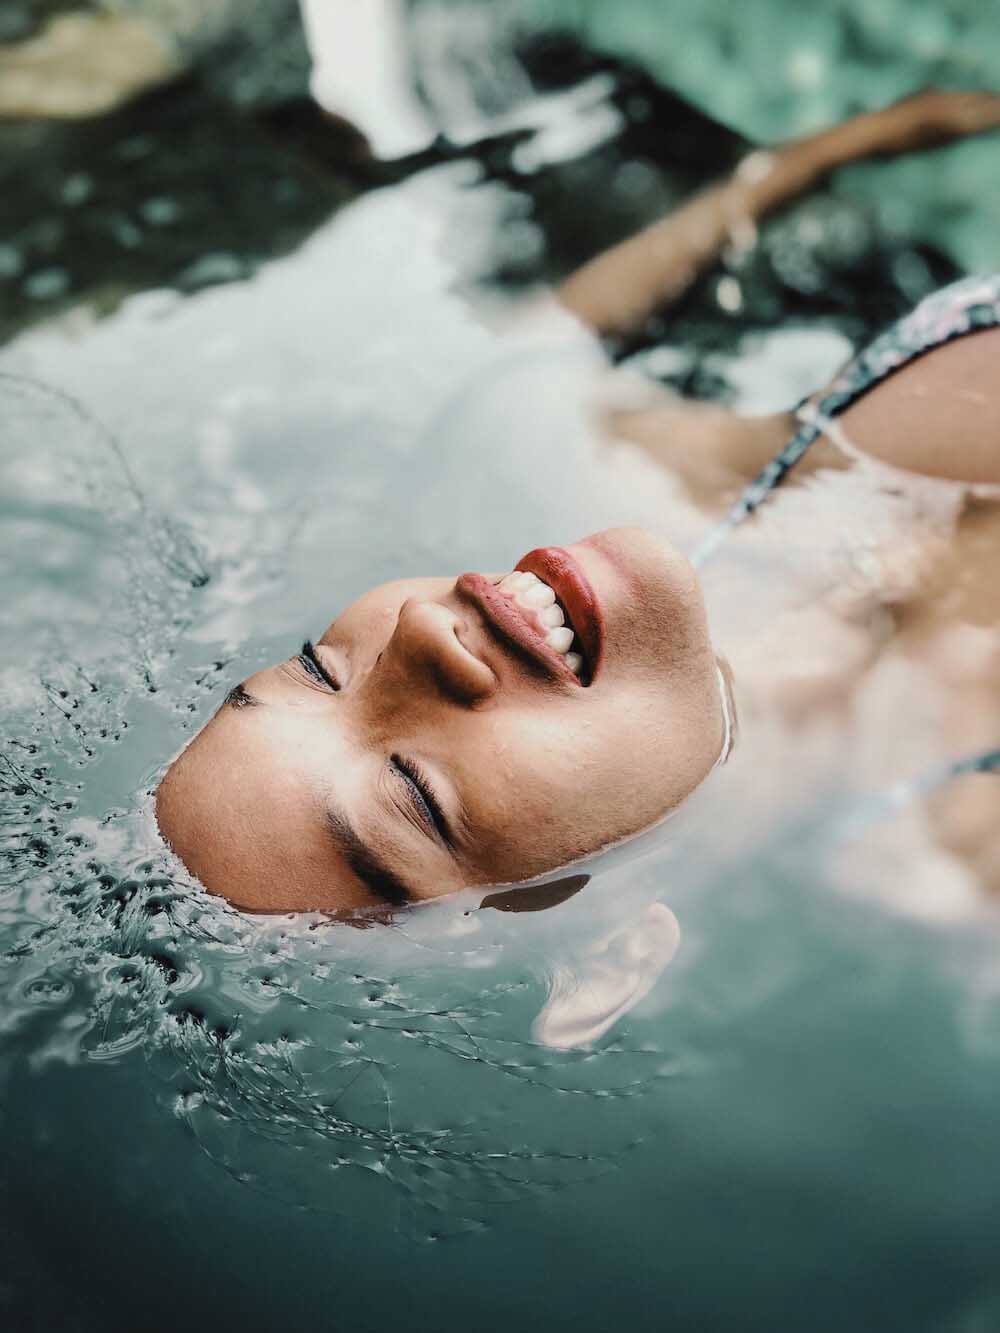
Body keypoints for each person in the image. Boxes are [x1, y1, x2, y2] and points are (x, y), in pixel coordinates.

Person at [155, 88, 1000, 913]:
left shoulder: (593, 463)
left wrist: (831, 151)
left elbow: (563, 329)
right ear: (616, 955)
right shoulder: (960, 838)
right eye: (414, 795)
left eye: (316, 668)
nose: (418, 629)